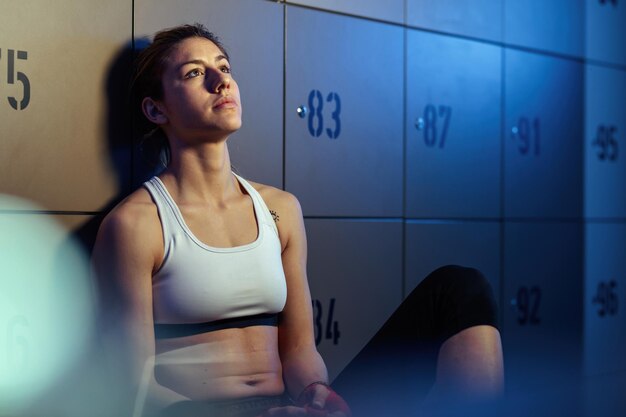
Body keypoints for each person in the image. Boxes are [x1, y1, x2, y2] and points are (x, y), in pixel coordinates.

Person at [92, 23, 503, 417]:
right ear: (155, 108)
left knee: (458, 289)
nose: (221, 81)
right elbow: (132, 383)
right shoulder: (136, 224)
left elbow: (300, 350)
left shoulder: (281, 208)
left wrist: (315, 394)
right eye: (195, 73)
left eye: (224, 68)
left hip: (289, 405)